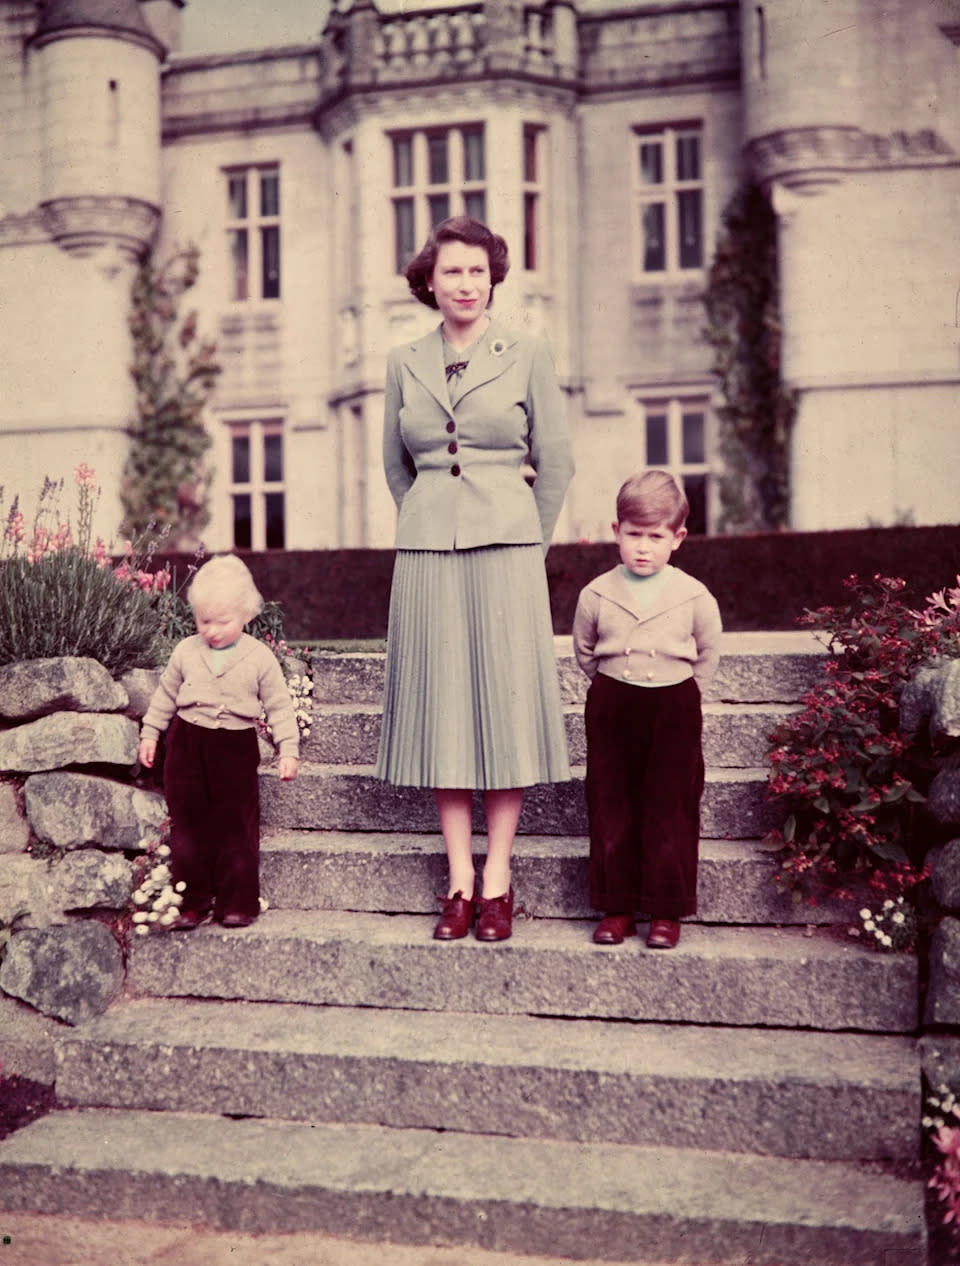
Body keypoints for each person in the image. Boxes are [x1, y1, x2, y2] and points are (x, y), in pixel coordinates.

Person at [375, 215, 574, 943]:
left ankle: (499, 877)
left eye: (478, 271)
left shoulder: (527, 353)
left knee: (504, 707)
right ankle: (458, 879)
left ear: (494, 278)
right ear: (429, 280)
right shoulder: (403, 361)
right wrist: (432, 517)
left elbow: (555, 463)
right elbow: (397, 466)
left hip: (507, 550)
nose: (466, 283)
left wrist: (527, 539)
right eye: (452, 270)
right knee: (443, 712)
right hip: (428, 552)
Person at [572, 471, 722, 949]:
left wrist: (681, 692)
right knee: (611, 801)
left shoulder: (694, 595)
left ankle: (665, 910)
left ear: (677, 538)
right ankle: (617, 907)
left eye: (655, 537)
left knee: (669, 805)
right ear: (615, 531)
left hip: (673, 704)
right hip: (614, 701)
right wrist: (614, 684)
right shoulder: (596, 593)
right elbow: (584, 651)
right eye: (633, 534)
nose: (643, 547)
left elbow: (707, 653)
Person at [138, 555, 299, 929]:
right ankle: (191, 900)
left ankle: (236, 902)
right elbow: (164, 696)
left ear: (246, 615)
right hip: (187, 743)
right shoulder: (185, 652)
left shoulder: (258, 657)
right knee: (189, 824)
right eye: (203, 620)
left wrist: (287, 749)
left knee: (234, 825)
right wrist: (150, 733)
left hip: (234, 748)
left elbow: (278, 705)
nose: (211, 631)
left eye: (221, 621)